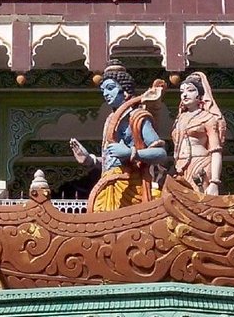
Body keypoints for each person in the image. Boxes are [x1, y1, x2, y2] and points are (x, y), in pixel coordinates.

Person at [70, 61, 169, 211]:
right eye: (103, 90)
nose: (105, 94)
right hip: (108, 183)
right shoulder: (111, 119)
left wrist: (131, 152)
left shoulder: (137, 117)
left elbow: (161, 154)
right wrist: (90, 160)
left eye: (110, 88)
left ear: (126, 91)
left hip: (129, 185)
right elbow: (112, 160)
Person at [171, 70, 226, 195]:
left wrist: (214, 182)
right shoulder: (179, 119)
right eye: (182, 92)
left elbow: (216, 151)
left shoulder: (208, 118)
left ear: (200, 95)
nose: (184, 95)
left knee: (201, 201)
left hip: (200, 163)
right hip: (180, 166)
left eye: (190, 90)